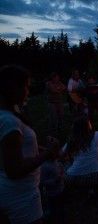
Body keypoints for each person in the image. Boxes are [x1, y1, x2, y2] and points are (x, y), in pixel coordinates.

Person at [0, 65, 59, 224]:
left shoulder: (8, 116)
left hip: (18, 192)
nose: (28, 91)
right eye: (26, 86)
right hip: (21, 198)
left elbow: (14, 150)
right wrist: (47, 154)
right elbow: (14, 169)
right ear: (13, 88)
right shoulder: (9, 122)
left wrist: (43, 149)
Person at [40, 154, 65, 224]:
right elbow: (42, 182)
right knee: (53, 210)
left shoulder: (57, 162)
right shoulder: (44, 166)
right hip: (51, 194)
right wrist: (54, 181)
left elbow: (61, 173)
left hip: (61, 190)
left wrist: (62, 174)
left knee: (61, 209)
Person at [45, 72, 66, 136]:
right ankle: (53, 133)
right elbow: (53, 90)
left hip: (59, 102)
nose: (58, 78)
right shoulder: (48, 83)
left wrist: (58, 89)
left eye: (58, 77)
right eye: (56, 77)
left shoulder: (59, 83)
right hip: (52, 103)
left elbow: (65, 88)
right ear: (53, 78)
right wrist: (59, 89)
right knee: (53, 118)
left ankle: (60, 130)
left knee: (61, 116)